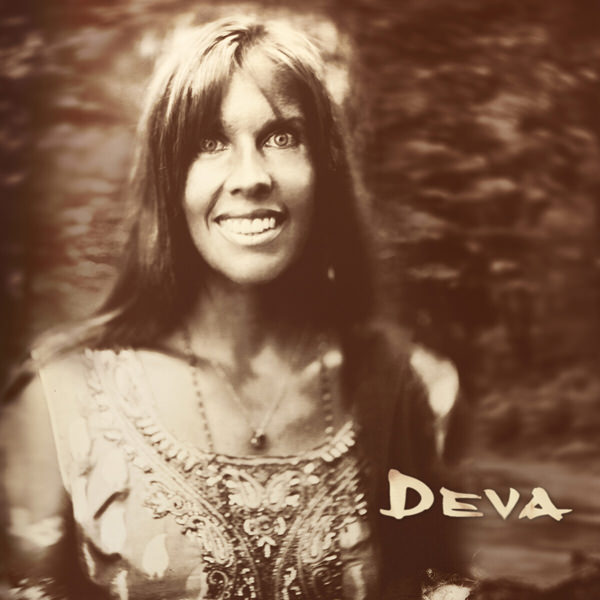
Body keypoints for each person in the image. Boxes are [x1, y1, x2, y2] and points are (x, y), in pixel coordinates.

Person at [0, 16, 469, 600]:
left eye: (282, 137)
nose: (251, 177)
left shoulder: (404, 388)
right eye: (210, 142)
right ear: (168, 180)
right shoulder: (62, 396)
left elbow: (442, 581)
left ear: (324, 168)